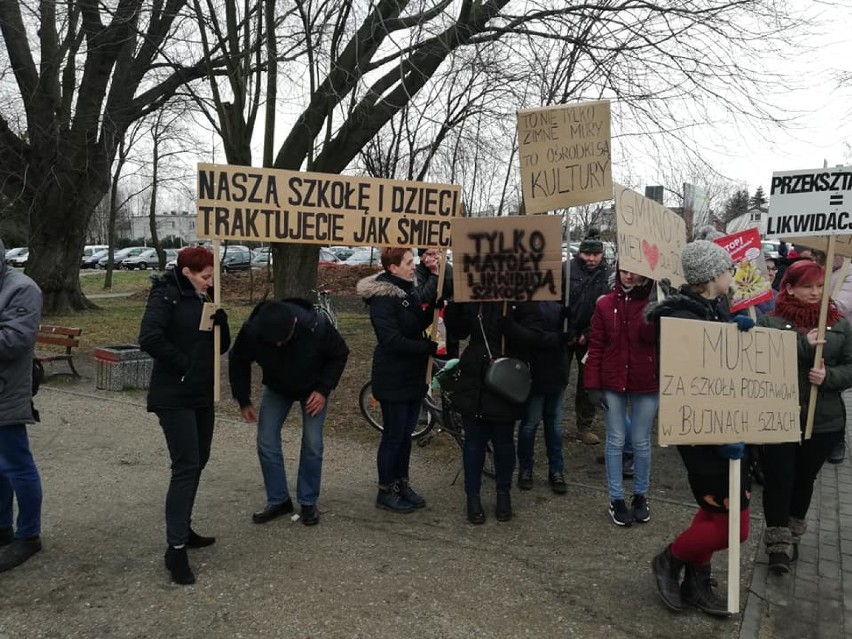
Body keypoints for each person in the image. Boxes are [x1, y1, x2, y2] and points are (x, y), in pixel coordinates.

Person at [645, 240, 752, 617]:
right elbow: (692, 386)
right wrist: (718, 436)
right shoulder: (681, 320)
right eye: (726, 269)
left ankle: (695, 582)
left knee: (714, 513)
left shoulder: (712, 310)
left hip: (724, 429)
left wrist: (738, 336)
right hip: (704, 435)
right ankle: (669, 560)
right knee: (734, 527)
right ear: (709, 277)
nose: (731, 274)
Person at [139, 246, 231, 585]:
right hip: (173, 395)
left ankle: (184, 526)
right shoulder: (166, 295)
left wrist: (223, 323)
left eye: (213, 276)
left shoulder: (207, 297)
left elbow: (220, 346)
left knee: (200, 459)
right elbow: (148, 338)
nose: (210, 281)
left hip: (201, 394)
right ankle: (175, 548)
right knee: (186, 464)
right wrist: (184, 366)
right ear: (188, 272)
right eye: (206, 276)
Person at [757, 259, 852, 574]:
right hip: (780, 416)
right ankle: (778, 542)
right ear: (790, 287)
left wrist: (829, 376)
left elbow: (850, 367)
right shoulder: (770, 322)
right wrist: (801, 345)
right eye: (808, 286)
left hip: (823, 420)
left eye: (820, 286)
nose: (815, 292)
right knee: (779, 477)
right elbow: (760, 363)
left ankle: (793, 530)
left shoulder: (839, 323)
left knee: (803, 478)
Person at [229, 298, 349, 526]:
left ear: (294, 323)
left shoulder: (316, 325)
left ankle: (308, 501)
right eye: (272, 342)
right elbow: (238, 360)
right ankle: (278, 499)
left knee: (313, 443)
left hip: (313, 388)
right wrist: (243, 399)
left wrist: (323, 389)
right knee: (266, 440)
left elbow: (339, 353)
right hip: (277, 387)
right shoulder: (254, 330)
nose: (278, 346)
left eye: (282, 341)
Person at [357, 248, 437, 513]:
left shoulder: (408, 289)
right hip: (392, 375)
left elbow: (413, 324)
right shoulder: (382, 298)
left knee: (405, 436)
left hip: (412, 375)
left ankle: (402, 483)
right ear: (393, 268)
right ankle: (385, 490)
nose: (413, 266)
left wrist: (433, 311)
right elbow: (391, 340)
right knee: (394, 435)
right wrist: (425, 348)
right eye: (409, 262)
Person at [585, 267, 658, 526]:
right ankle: (616, 498)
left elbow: (652, 340)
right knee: (615, 440)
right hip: (612, 381)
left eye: (634, 272)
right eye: (623, 271)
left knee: (640, 441)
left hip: (645, 380)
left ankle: (641, 495)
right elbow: (596, 345)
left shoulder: (654, 302)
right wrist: (592, 384)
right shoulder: (605, 304)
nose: (628, 276)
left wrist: (657, 311)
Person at [444, 300, 527, 524]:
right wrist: (455, 304)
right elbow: (458, 331)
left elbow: (530, 336)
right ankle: (473, 497)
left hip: (505, 379)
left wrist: (509, 324)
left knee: (504, 442)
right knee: (474, 442)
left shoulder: (519, 297)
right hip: (475, 380)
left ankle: (503, 494)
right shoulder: (472, 297)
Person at [0, 239, 44, 573]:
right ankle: (2, 527)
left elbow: (15, 340)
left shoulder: (22, 289)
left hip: (6, 392)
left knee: (17, 464)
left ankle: (29, 535)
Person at [508, 301, 569, 494]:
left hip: (557, 371)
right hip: (535, 372)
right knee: (530, 424)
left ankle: (556, 470)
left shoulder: (562, 303)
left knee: (555, 426)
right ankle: (526, 468)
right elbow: (528, 337)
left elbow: (572, 331)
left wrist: (570, 327)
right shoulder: (523, 304)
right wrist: (559, 338)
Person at [565, 231, 612, 445]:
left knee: (588, 382)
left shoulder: (609, 276)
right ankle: (551, 421)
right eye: (587, 254)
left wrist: (587, 334)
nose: (591, 259)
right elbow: (556, 302)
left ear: (602, 255)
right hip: (564, 333)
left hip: (591, 337)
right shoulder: (566, 270)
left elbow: (609, 309)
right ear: (579, 253)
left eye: (596, 254)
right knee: (557, 378)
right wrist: (568, 330)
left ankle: (584, 426)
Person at [416, 248, 458, 358]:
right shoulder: (416, 272)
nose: (435, 257)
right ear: (421, 256)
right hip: (427, 326)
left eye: (437, 253)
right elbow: (422, 297)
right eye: (431, 254)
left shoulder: (447, 269)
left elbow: (456, 293)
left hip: (448, 326)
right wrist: (434, 274)